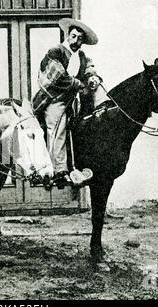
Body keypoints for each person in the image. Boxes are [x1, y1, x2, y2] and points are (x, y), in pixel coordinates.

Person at [32, 18, 99, 188]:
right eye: (74, 37)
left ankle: (80, 166)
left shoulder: (82, 56)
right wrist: (79, 84)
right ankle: (56, 170)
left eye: (80, 39)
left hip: (74, 100)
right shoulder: (55, 52)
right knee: (57, 126)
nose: (76, 41)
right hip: (54, 99)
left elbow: (90, 69)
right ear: (67, 36)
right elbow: (57, 77)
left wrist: (93, 78)